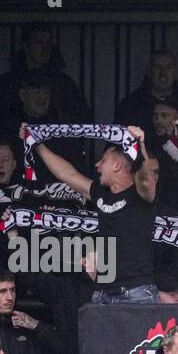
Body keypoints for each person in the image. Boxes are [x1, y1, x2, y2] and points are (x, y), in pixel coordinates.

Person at [24, 121, 158, 303]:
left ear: (117, 165)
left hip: (136, 292)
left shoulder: (140, 194)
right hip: (103, 291)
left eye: (103, 160)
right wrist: (36, 143)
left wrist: (140, 145)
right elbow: (68, 174)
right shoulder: (101, 193)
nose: (96, 165)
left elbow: (146, 180)